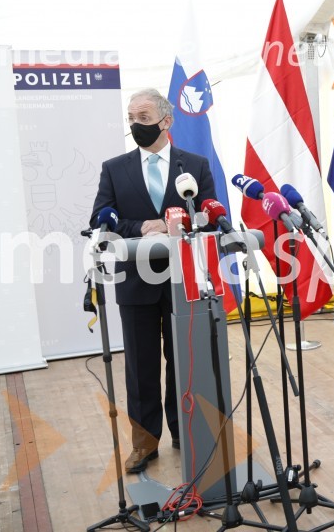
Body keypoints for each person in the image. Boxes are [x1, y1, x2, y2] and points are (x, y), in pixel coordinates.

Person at [90, 88, 216, 473]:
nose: (135, 125)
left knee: (183, 362)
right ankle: (144, 444)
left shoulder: (195, 165)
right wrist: (142, 226)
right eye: (131, 118)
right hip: (135, 282)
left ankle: (184, 432)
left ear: (166, 120)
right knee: (141, 368)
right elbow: (100, 217)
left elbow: (209, 214)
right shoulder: (114, 168)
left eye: (143, 118)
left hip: (184, 281)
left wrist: (174, 223)